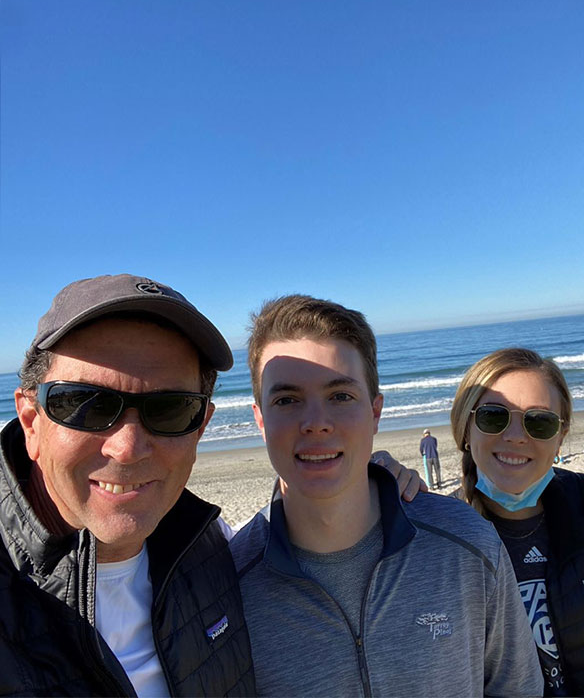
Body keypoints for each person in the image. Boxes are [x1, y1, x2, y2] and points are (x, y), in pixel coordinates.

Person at [230, 295, 543, 697]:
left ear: (375, 412)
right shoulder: (231, 587)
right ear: (259, 418)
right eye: (286, 400)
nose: (316, 423)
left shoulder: (467, 545)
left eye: (340, 396)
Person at [1, 274, 255, 696]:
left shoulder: (214, 551)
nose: (127, 448)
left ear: (201, 428)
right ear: (31, 422)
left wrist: (374, 486)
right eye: (85, 404)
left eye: (171, 409)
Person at [450, 348, 584, 696]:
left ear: (560, 436)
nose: (516, 436)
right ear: (465, 429)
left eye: (540, 421)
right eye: (493, 417)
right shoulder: (436, 539)